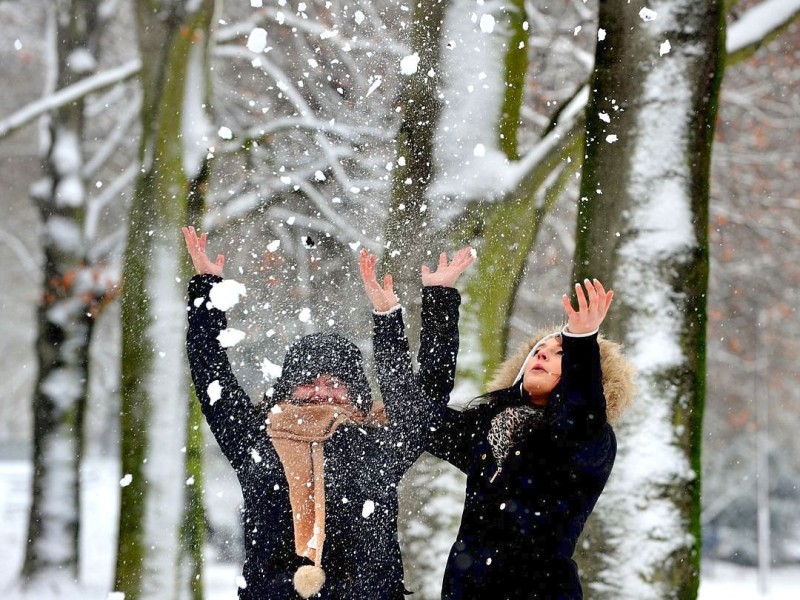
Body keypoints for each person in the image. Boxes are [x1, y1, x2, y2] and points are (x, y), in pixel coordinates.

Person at [182, 226, 471, 599]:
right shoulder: (256, 437)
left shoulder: (379, 441)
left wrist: (417, 308)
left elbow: (427, 396)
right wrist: (207, 290)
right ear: (287, 387)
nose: (321, 391)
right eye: (309, 381)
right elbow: (211, 371)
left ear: (355, 393)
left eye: (336, 382)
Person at [425, 279, 636, 600]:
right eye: (537, 352)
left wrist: (581, 340)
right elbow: (420, 415)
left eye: (557, 353)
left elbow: (579, 412)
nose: (542, 356)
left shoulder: (589, 436)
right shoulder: (490, 426)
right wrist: (436, 303)